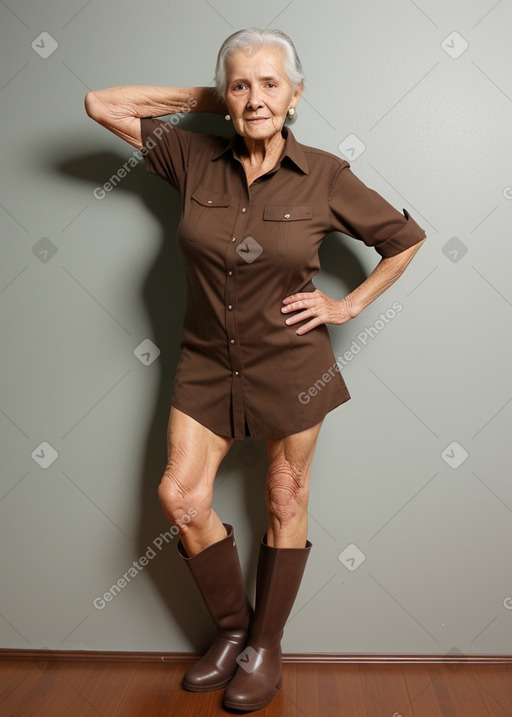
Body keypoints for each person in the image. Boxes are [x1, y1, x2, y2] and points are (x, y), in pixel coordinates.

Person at [85, 27, 426, 712]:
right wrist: (215, 101)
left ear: (296, 96)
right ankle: (235, 630)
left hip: (291, 362)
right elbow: (101, 103)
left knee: (284, 497)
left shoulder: (326, 174)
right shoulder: (189, 155)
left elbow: (403, 239)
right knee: (181, 498)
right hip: (207, 360)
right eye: (241, 84)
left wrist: (347, 305)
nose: (255, 97)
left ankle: (265, 649)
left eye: (272, 84)